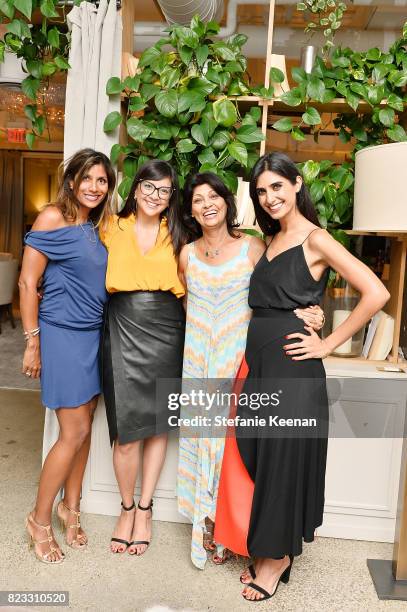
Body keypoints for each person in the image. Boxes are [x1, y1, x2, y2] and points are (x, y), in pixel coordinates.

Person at [214, 152, 390, 601]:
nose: (269, 197)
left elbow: (376, 291)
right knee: (258, 456)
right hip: (258, 366)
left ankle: (275, 560)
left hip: (293, 369)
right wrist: (307, 312)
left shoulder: (316, 239)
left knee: (282, 462)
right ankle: (269, 544)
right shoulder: (270, 240)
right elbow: (280, 297)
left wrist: (327, 342)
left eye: (276, 186)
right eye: (261, 191)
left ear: (296, 184)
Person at [177, 172, 325, 569]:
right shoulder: (186, 254)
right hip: (199, 361)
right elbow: (189, 304)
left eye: (213, 196)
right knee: (202, 442)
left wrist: (311, 314)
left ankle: (230, 532)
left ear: (227, 202)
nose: (206, 204)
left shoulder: (255, 246)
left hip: (241, 358)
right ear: (189, 210)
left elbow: (278, 290)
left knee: (232, 453)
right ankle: (205, 524)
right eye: (196, 199)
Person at [20, 148, 116, 564]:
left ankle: (69, 508)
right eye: (88, 179)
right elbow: (27, 282)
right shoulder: (52, 217)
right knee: (72, 431)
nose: (95, 187)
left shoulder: (96, 226)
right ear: (72, 180)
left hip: (93, 335)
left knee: (86, 427)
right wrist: (33, 340)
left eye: (103, 180)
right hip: (60, 334)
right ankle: (39, 520)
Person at [100, 159, 186, 556]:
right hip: (121, 326)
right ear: (134, 190)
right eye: (149, 187)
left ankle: (146, 509)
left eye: (163, 190)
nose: (155, 196)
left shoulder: (181, 235)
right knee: (126, 432)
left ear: (171, 198)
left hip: (168, 329)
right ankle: (126, 507)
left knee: (156, 426)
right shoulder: (110, 227)